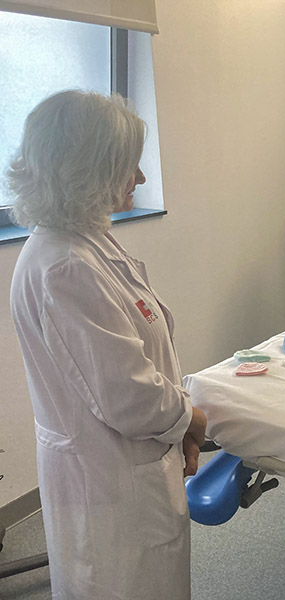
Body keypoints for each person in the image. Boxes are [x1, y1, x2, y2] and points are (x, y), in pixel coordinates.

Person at [8, 90, 206, 599]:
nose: (140, 178)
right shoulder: (65, 266)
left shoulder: (83, 240)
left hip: (124, 470)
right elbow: (129, 396)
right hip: (110, 485)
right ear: (87, 171)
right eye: (128, 166)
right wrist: (190, 417)